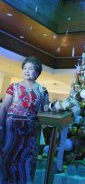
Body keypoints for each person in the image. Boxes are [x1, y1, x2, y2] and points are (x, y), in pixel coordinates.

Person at [0, 56, 49, 184]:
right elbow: (4, 107)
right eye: (25, 68)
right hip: (11, 128)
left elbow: (45, 110)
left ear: (37, 72)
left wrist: (60, 107)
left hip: (31, 130)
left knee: (27, 158)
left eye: (31, 68)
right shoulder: (14, 86)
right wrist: (0, 126)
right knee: (8, 155)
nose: (27, 71)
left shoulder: (42, 90)